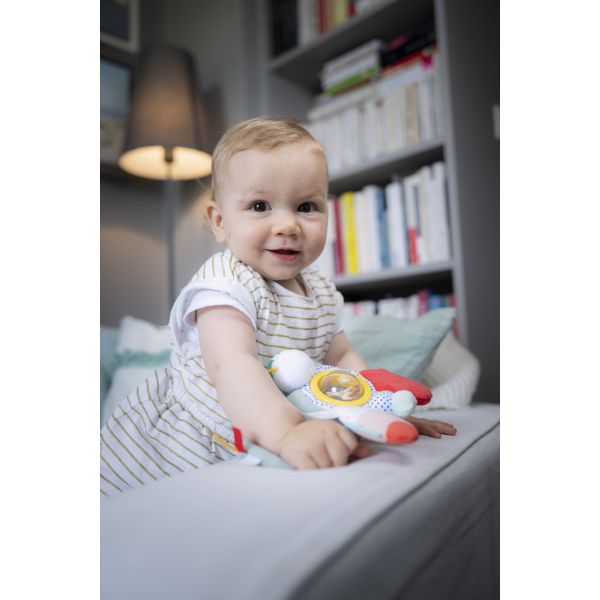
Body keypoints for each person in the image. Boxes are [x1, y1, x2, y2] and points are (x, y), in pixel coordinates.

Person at [100, 117, 455, 495]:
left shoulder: (320, 291)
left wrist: (377, 413)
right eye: (260, 206)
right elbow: (232, 364)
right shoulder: (225, 285)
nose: (287, 225)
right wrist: (287, 431)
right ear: (219, 222)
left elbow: (342, 358)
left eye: (306, 206)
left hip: (256, 434)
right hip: (180, 442)